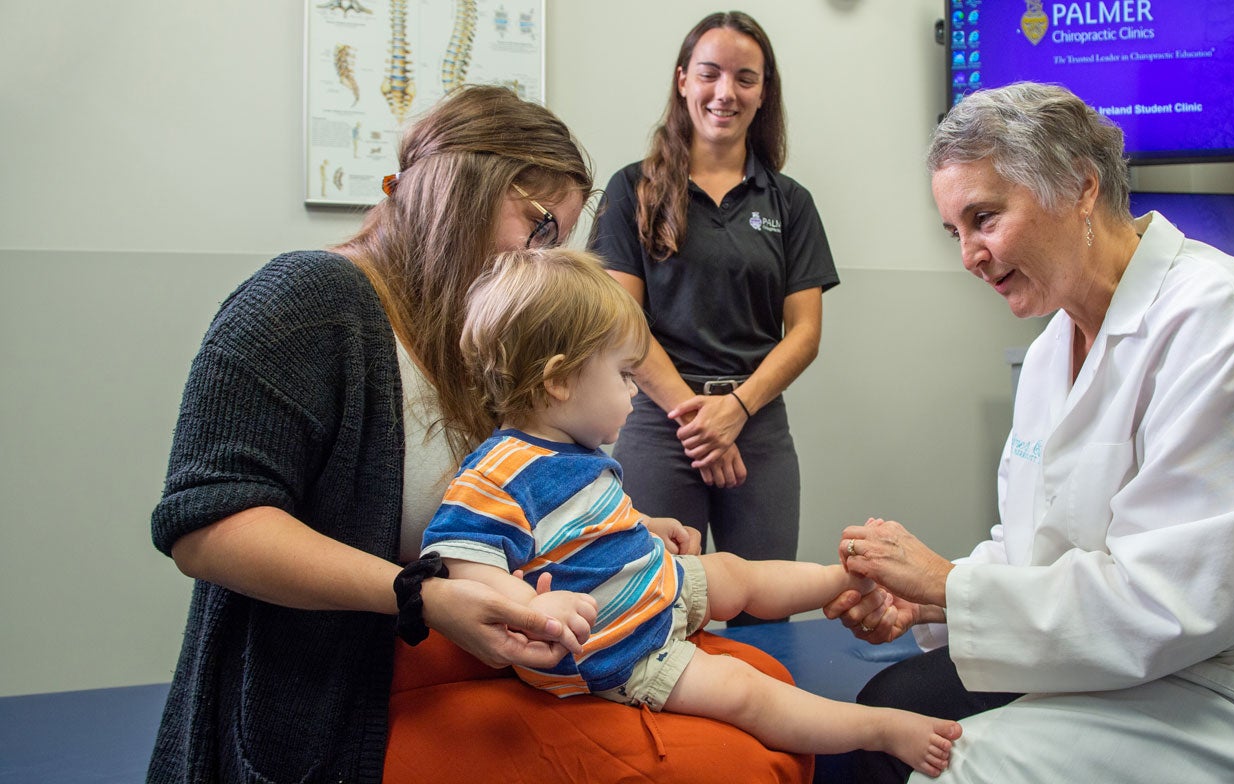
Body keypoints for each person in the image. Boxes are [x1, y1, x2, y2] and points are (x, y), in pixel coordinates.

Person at [149, 85, 809, 783]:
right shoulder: (305, 301)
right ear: (462, 188)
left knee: (766, 685)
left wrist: (626, 523)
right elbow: (207, 526)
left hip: (475, 643)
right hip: (356, 686)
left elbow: (500, 495)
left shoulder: (469, 331)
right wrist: (422, 594)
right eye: (540, 226)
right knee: (735, 761)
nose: (543, 258)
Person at [825, 82, 1234, 783]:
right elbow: (1037, 540)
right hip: (1140, 657)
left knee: (956, 769)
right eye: (956, 232)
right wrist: (931, 598)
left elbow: (1177, 601)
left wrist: (951, 584)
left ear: (1079, 187)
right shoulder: (1049, 351)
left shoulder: (1226, 325)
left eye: (985, 218)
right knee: (885, 718)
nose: (970, 255)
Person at [421, 246, 961, 777]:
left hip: (655, 584)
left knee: (736, 572)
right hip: (623, 650)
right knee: (745, 692)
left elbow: (581, 526)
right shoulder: (498, 472)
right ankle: (882, 729)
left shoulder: (576, 451)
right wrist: (537, 611)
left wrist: (646, 526)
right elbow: (460, 561)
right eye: (624, 375)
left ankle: (841, 577)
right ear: (559, 380)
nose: (634, 393)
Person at [588, 11, 839, 626]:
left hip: (757, 425)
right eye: (710, 74)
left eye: (745, 78)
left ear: (763, 92)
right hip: (659, 423)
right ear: (682, 81)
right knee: (650, 606)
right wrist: (700, 423)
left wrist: (737, 410)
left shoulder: (790, 202)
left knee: (764, 612)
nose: (725, 92)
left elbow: (804, 333)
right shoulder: (631, 191)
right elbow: (622, 323)